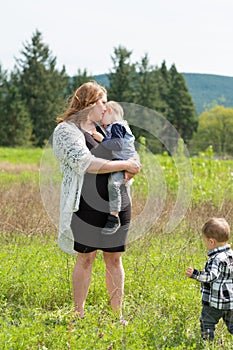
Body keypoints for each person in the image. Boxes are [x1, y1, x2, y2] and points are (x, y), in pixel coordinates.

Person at [53, 81, 140, 323]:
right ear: (89, 103)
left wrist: (133, 163)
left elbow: (131, 151)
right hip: (85, 204)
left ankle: (117, 316)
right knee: (86, 257)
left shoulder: (108, 126)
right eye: (102, 102)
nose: (106, 107)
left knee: (114, 258)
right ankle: (78, 314)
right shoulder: (66, 131)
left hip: (117, 203)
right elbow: (85, 163)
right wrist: (124, 165)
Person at [92, 101, 136, 235]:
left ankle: (113, 217)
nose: (101, 119)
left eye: (103, 113)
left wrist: (101, 139)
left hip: (123, 162)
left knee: (113, 185)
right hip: (122, 161)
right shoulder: (117, 127)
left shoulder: (117, 126)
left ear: (110, 111)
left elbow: (117, 145)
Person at [186, 217, 233, 342]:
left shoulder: (216, 258)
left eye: (205, 241)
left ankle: (209, 344)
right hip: (231, 302)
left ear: (211, 241)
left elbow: (211, 276)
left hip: (214, 302)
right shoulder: (231, 255)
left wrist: (195, 274)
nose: (205, 244)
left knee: (207, 322)